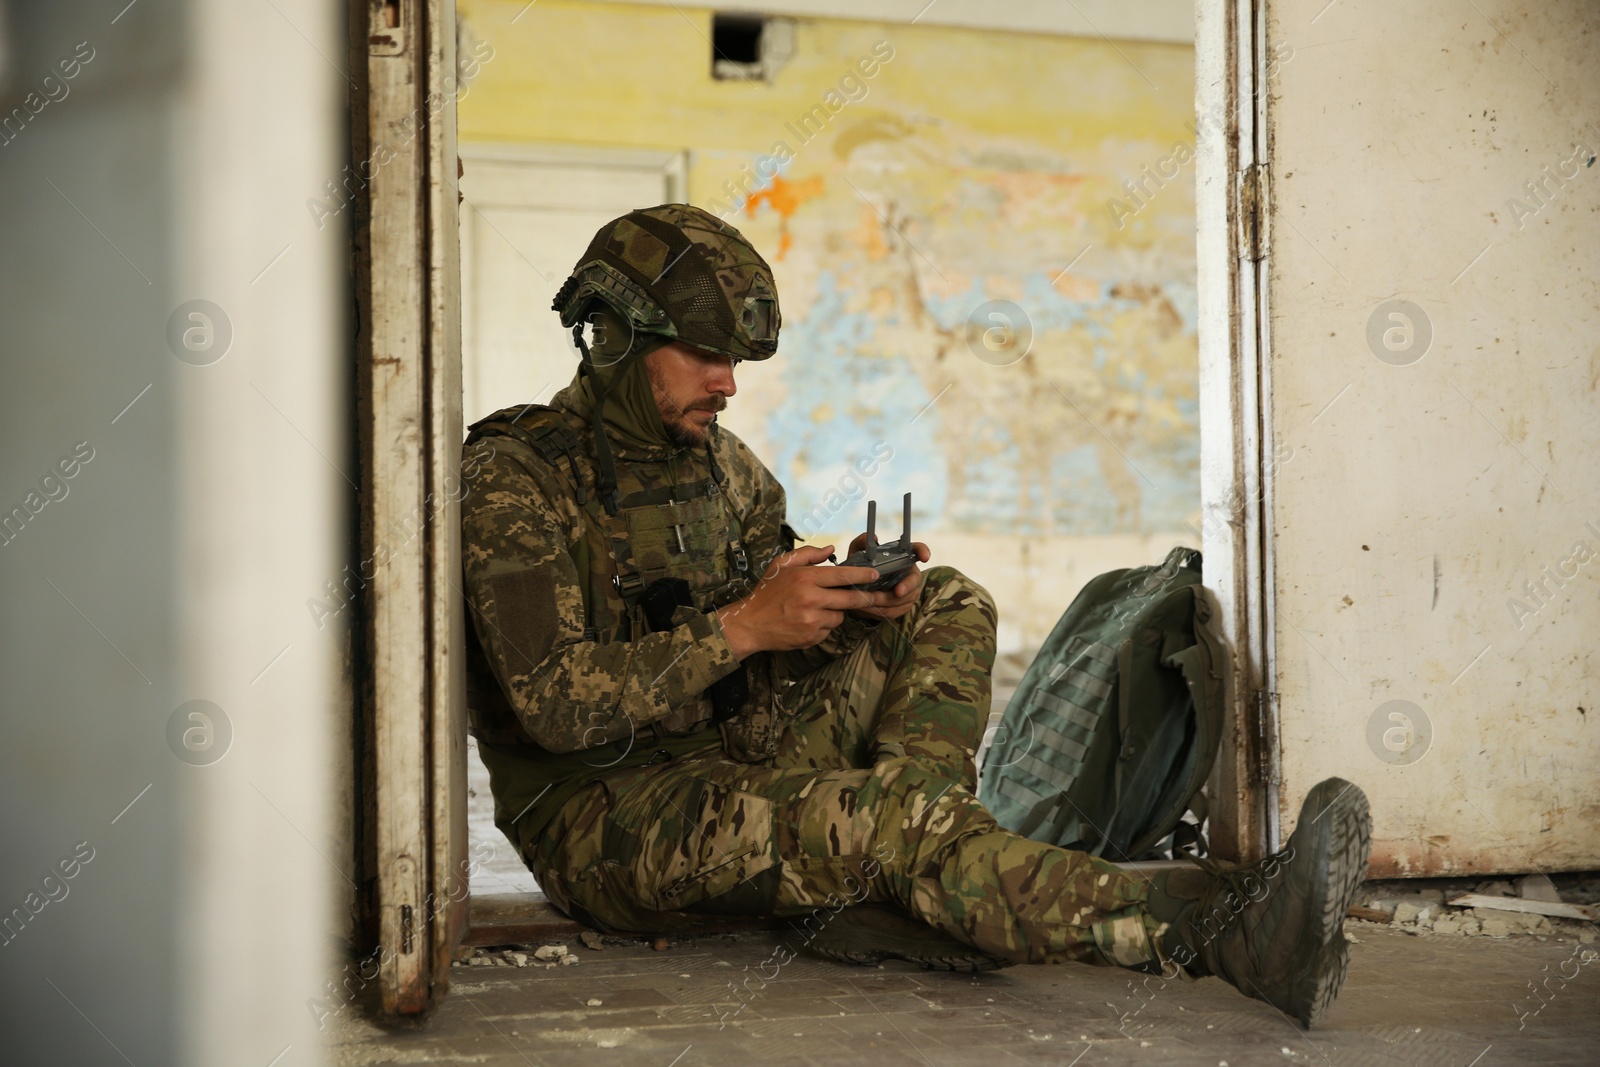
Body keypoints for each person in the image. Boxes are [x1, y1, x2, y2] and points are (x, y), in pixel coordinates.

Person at [461, 204, 1372, 1029]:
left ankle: (915, 867)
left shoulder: (728, 471)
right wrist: (743, 624)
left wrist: (847, 606)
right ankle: (1232, 935)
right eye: (704, 356)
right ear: (614, 337)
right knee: (893, 819)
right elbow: (550, 703)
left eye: (733, 361)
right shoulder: (517, 477)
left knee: (946, 599)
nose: (726, 382)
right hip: (603, 816)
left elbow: (768, 635)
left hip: (735, 752)